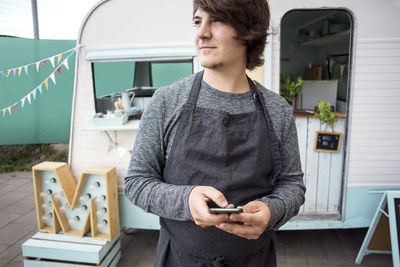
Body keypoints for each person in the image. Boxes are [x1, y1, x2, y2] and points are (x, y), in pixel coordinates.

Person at [124, 0, 305, 266]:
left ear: (250, 30)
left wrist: (271, 210)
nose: (202, 33)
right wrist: (186, 200)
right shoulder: (166, 102)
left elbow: (292, 186)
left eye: (217, 20)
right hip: (180, 259)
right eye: (198, 22)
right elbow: (137, 182)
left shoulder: (277, 110)